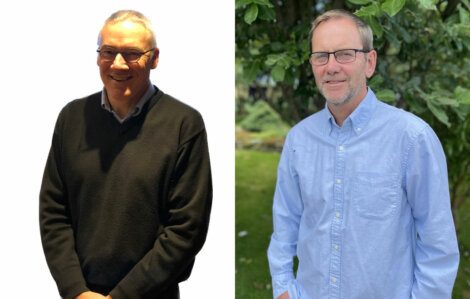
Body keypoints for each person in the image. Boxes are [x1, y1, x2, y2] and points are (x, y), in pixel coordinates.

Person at [267, 9, 459, 299]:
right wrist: (283, 288)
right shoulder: (298, 140)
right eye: (321, 56)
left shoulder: (412, 139)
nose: (331, 66)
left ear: (369, 62)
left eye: (345, 54)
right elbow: (285, 225)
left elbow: (438, 244)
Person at [39, 10, 212, 299]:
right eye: (108, 51)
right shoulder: (71, 118)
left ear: (154, 58)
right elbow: (53, 212)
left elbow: (186, 229)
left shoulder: (184, 124)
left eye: (132, 53)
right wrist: (76, 291)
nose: (118, 64)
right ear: (97, 57)